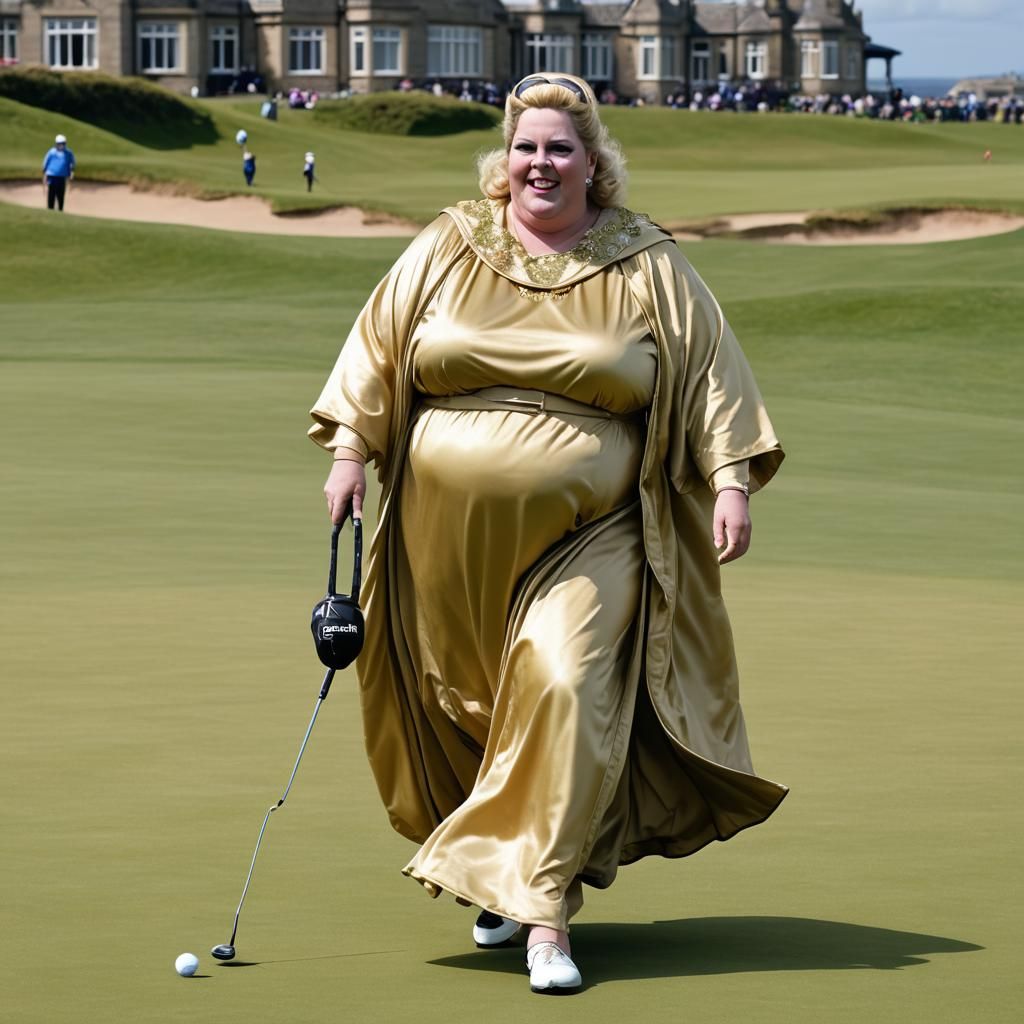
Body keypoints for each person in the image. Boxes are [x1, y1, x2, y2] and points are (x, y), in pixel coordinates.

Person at [310, 73, 787, 995]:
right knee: (474, 709)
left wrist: (730, 479)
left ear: (593, 162)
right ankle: (501, 867)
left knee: (565, 685)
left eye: (561, 148)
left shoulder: (645, 259)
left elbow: (718, 372)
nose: (542, 163)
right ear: (505, 159)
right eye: (527, 147)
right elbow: (376, 347)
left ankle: (542, 918)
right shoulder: (450, 242)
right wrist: (346, 454)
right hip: (439, 538)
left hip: (594, 533)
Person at [41, 133, 75, 211]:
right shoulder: (51, 152)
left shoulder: (68, 153)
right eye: (59, 143)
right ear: (56, 143)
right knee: (51, 195)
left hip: (62, 178)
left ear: (65, 143)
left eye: (62, 143)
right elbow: (46, 162)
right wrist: (44, 173)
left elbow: (72, 163)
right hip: (51, 177)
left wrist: (72, 172)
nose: (60, 145)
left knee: (60, 196)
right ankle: (50, 210)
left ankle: (60, 210)